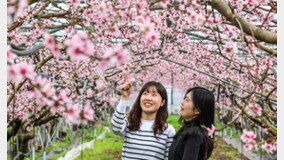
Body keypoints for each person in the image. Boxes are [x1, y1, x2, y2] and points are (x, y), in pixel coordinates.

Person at [110, 73, 176, 160]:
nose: (148, 98)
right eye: (145, 93)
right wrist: (124, 97)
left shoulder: (168, 130)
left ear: (162, 102)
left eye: (154, 94)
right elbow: (115, 128)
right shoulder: (130, 123)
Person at [168, 87, 215, 160]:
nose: (182, 102)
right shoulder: (187, 129)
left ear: (197, 110)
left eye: (187, 100)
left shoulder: (194, 136)